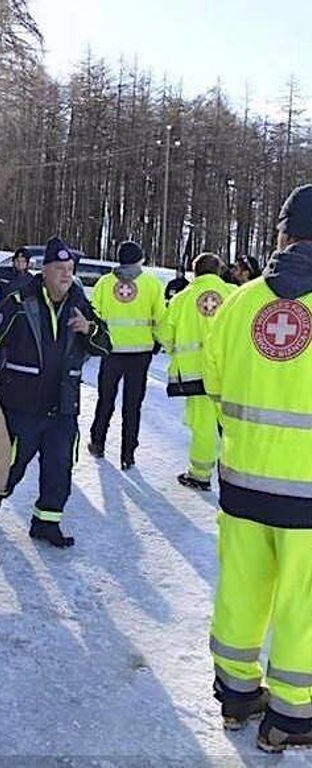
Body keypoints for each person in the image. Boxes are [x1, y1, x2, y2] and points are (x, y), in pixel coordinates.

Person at [204, 184, 312, 751]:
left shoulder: (241, 302)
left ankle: (238, 693)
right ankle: (293, 716)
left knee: (241, 588)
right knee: (303, 602)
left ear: (284, 233)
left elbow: (217, 386)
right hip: (310, 497)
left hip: (243, 483)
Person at [0, 236, 111, 547]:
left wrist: (89, 330)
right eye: (60, 268)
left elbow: (105, 345)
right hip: (21, 402)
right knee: (14, 461)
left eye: (70, 268)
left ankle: (46, 523)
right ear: (44, 270)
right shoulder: (20, 301)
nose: (66, 274)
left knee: (59, 467)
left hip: (62, 406)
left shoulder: (81, 304)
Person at [157, 252, 235, 491]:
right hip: (230, 374)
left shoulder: (182, 299)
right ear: (219, 270)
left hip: (196, 376)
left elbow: (163, 333)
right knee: (233, 425)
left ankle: (200, 474)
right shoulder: (234, 295)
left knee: (203, 426)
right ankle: (238, 474)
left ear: (195, 271)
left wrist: (176, 353)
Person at [87, 241, 165, 469]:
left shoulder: (104, 283)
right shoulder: (152, 283)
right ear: (139, 259)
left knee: (105, 399)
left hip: (111, 352)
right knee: (133, 405)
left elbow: (95, 314)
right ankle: (128, 453)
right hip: (140, 354)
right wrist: (158, 341)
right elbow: (160, 317)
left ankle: (98, 441)